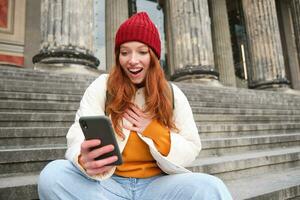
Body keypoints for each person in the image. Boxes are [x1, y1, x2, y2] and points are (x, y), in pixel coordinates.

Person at [38, 12, 233, 200]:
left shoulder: (172, 93)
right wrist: (82, 159)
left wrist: (153, 130)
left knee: (211, 188)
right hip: (107, 185)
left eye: (142, 52)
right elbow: (78, 133)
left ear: (154, 57)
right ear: (118, 56)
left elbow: (191, 147)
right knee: (53, 175)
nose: (132, 60)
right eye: (125, 52)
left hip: (159, 186)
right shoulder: (101, 86)